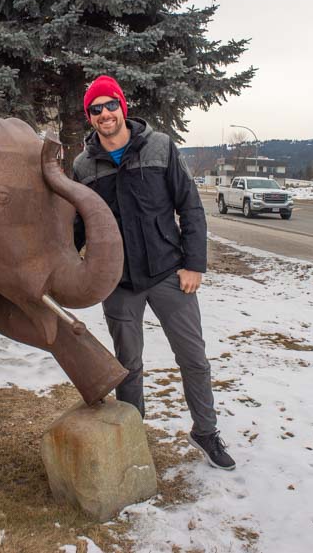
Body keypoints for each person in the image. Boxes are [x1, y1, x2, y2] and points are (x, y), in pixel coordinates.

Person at [72, 75, 235, 471]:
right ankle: (132, 437)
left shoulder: (159, 146)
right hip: (119, 281)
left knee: (193, 357)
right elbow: (76, 228)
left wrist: (194, 263)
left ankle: (205, 431)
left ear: (122, 107)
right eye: (96, 109)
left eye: (111, 105)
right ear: (90, 117)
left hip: (169, 272)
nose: (105, 114)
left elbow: (190, 207)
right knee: (128, 365)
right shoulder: (83, 166)